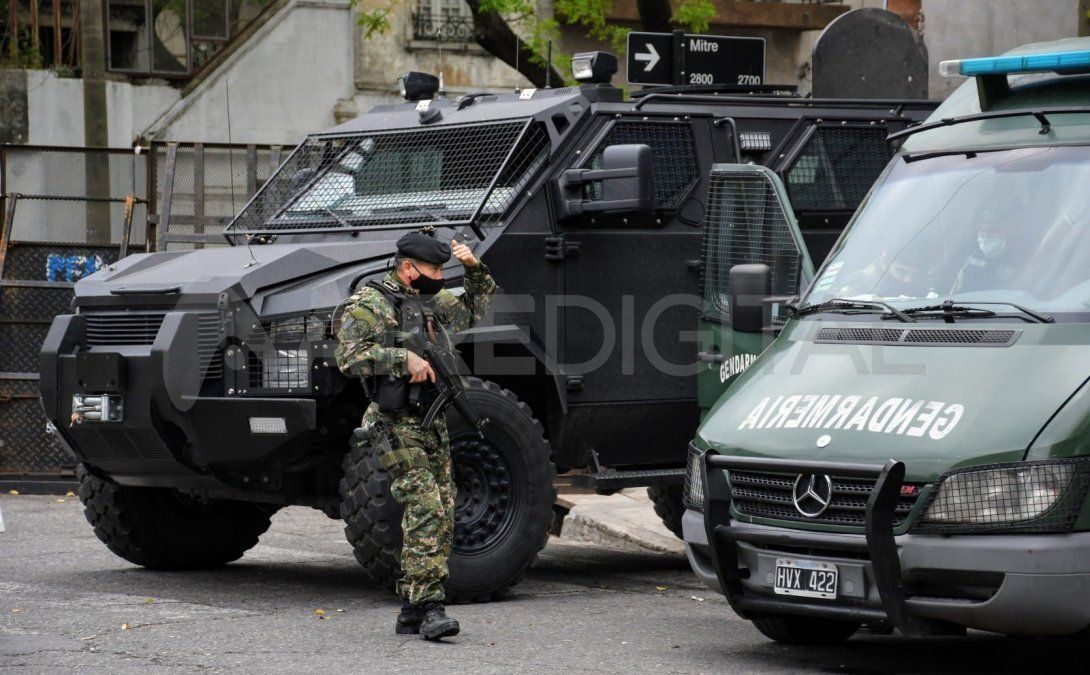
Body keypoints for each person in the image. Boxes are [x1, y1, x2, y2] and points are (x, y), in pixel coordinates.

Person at [334, 227, 497, 640]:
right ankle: (430, 608)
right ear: (408, 268)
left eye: (443, 270)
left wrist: (474, 270)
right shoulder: (370, 303)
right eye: (433, 270)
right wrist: (400, 358)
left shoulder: (429, 300)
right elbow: (348, 357)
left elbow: (471, 313)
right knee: (425, 505)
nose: (440, 278)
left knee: (443, 507)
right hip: (394, 422)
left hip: (430, 419)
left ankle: (411, 608)